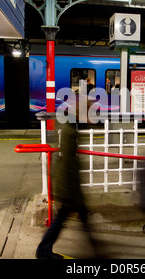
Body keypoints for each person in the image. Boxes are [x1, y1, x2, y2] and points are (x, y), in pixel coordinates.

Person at [35, 101, 99, 259]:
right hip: (69, 183)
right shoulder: (70, 131)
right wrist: (74, 191)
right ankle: (43, 250)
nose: (93, 117)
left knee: (72, 217)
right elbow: (69, 162)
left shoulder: (69, 125)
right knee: (65, 218)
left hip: (67, 181)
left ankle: (96, 249)